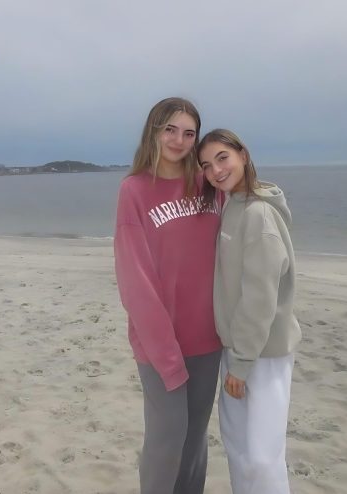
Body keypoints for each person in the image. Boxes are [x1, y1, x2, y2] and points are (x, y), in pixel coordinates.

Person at [113, 98, 222, 494]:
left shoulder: (208, 185)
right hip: (159, 341)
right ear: (154, 132)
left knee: (195, 442)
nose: (179, 140)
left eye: (189, 133)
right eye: (170, 130)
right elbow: (135, 279)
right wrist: (165, 350)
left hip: (208, 338)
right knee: (166, 442)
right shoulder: (135, 190)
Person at [198, 129, 302, 494]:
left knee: (261, 456)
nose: (216, 171)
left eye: (222, 157)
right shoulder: (232, 206)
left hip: (263, 354)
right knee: (239, 449)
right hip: (238, 349)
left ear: (242, 154)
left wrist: (241, 363)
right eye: (207, 166)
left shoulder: (258, 214)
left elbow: (261, 297)